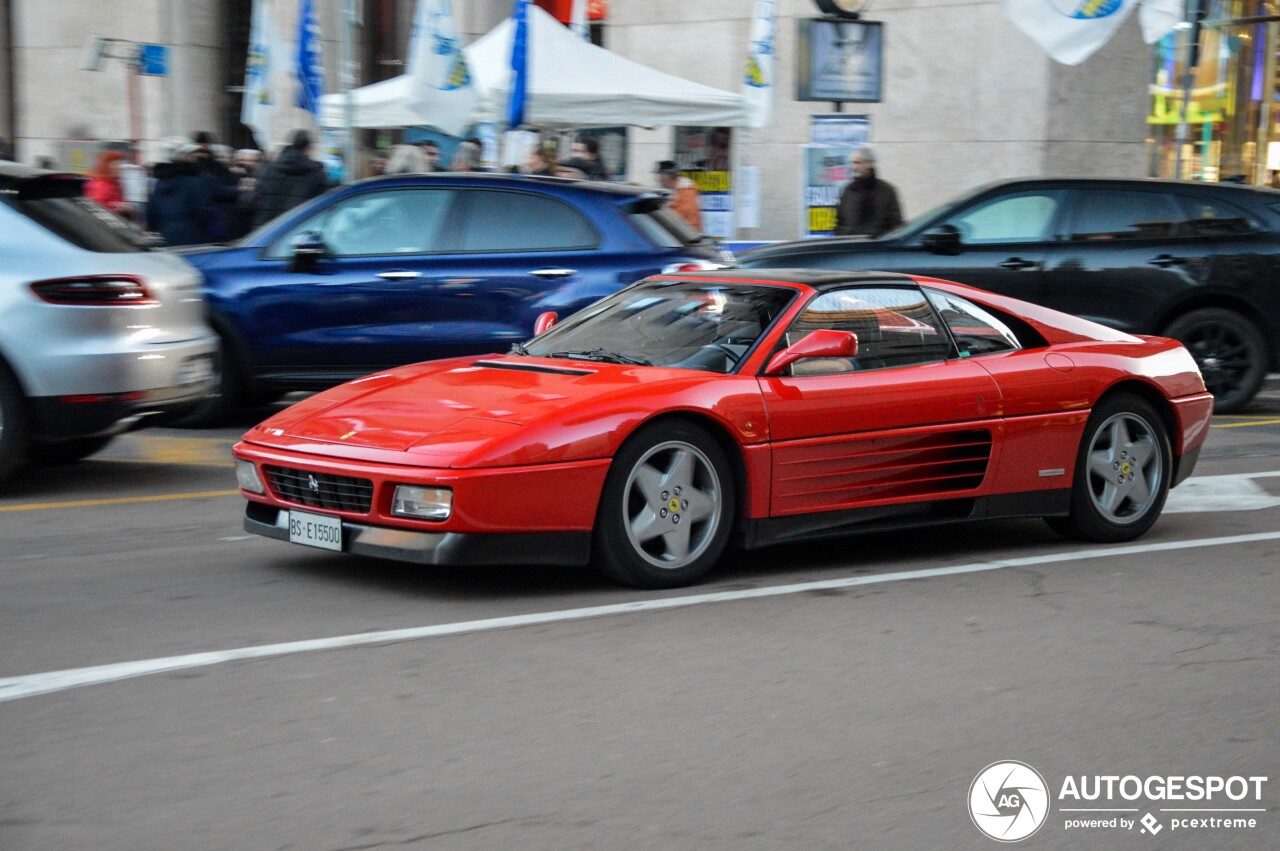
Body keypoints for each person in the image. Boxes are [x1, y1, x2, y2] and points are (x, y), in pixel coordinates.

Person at [251, 129, 329, 227]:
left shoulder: (268, 170)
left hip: (267, 231)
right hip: (298, 230)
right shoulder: (316, 174)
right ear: (308, 148)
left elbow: (254, 201)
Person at [146, 142, 215, 246]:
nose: (195, 157)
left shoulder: (161, 180)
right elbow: (201, 210)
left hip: (165, 234)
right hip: (192, 235)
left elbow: (151, 210)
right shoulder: (194, 180)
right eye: (191, 154)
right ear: (183, 156)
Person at [834, 145, 903, 238]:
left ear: (869, 165)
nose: (854, 167)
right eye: (852, 163)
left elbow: (896, 225)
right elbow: (839, 223)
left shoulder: (887, 191)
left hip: (877, 249)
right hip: (852, 247)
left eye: (857, 163)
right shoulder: (848, 191)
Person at [655, 160, 701, 231]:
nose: (659, 179)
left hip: (686, 235)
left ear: (667, 176)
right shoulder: (672, 191)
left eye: (660, 175)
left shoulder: (687, 192)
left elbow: (680, 214)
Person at [84, 150, 128, 215]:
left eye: (119, 163)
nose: (118, 167)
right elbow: (97, 209)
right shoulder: (100, 185)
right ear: (105, 166)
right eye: (115, 163)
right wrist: (116, 207)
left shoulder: (115, 183)